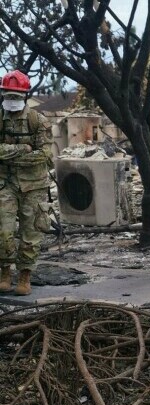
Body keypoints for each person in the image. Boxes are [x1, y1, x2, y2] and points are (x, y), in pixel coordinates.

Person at [0, 70, 52, 296]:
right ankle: (4, 272)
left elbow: (46, 155)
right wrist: (22, 148)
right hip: (5, 183)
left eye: (15, 96)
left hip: (34, 185)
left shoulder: (37, 121)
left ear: (24, 96)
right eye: (8, 95)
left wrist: (7, 155)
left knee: (31, 234)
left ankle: (24, 276)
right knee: (3, 230)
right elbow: (33, 152)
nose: (11, 100)